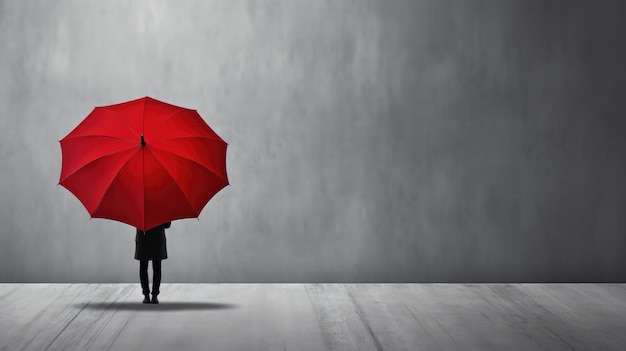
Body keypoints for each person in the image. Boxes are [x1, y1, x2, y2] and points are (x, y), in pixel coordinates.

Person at [135, 222, 171, 304]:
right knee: (157, 267)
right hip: (157, 238)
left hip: (143, 237)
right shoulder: (162, 209)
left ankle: (146, 295)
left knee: (143, 267)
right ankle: (155, 296)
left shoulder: (139, 209)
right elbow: (167, 225)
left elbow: (135, 222)